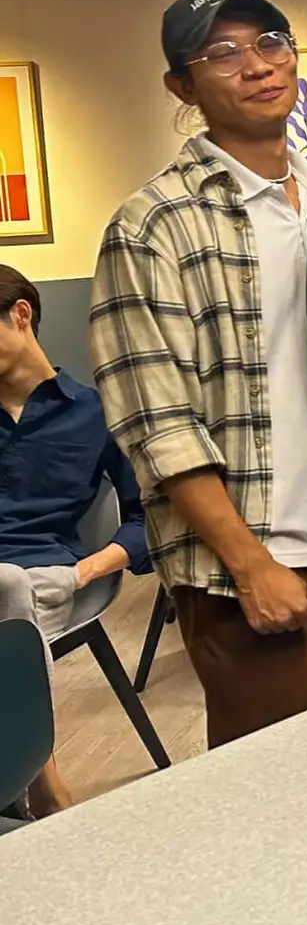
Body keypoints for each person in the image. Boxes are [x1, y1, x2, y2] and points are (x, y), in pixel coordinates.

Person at [90, 0, 307, 748]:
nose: (257, 65)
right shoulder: (154, 224)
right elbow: (155, 421)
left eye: (271, 42)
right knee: (273, 801)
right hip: (251, 562)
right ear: (183, 85)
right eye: (223, 53)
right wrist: (248, 564)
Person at [0, 266, 146, 815]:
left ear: (21, 315)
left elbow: (147, 519)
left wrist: (82, 573)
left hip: (47, 579)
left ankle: (27, 783)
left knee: (10, 584)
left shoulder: (98, 413)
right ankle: (39, 773)